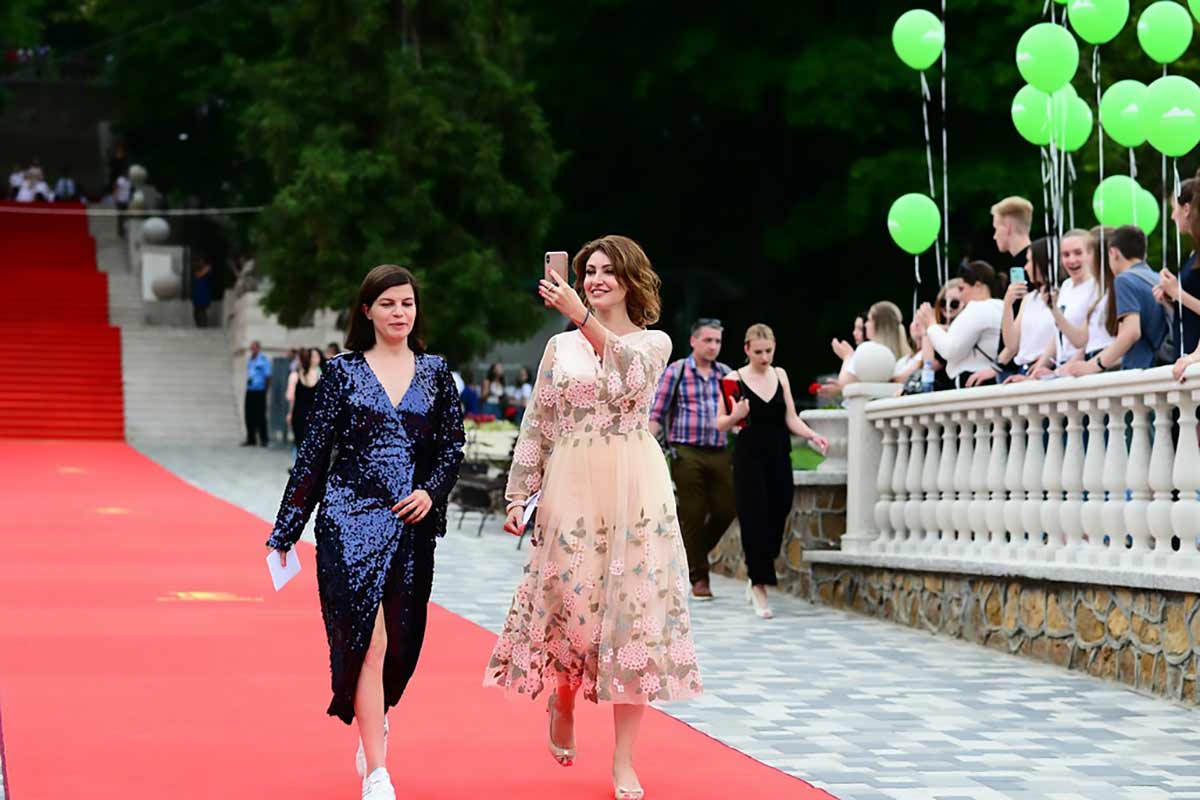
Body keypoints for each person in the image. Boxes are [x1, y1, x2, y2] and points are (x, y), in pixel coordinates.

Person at [485, 235, 700, 800]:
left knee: (634, 620)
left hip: (636, 484)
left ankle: (623, 761)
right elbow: (539, 422)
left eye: (608, 271)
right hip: (572, 483)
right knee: (572, 607)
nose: (596, 280)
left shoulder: (654, 341)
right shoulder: (559, 349)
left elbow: (632, 378)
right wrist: (518, 494)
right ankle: (563, 693)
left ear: (630, 280)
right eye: (589, 272)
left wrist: (582, 317)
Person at [267, 265, 464, 800]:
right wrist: (287, 529)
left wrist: (430, 491)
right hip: (348, 518)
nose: (400, 312)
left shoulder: (436, 372)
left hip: (410, 524)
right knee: (367, 641)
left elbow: (451, 446)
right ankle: (378, 771)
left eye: (407, 303)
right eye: (388, 303)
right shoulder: (342, 373)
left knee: (400, 643)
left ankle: (376, 717)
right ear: (367, 311)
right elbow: (313, 454)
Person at [717, 324, 829, 620]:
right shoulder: (734, 379)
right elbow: (720, 423)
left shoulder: (780, 375)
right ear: (747, 350)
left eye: (769, 351)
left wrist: (812, 435)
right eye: (758, 352)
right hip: (749, 457)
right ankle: (759, 586)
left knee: (780, 511)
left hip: (779, 454)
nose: (764, 357)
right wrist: (736, 415)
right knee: (754, 519)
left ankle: (757, 572)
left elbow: (791, 417)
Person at [649, 318, 735, 601]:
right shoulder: (677, 371)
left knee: (727, 509)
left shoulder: (726, 374)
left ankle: (688, 554)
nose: (713, 346)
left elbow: (736, 415)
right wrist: (645, 445)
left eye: (717, 341)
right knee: (693, 514)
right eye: (708, 340)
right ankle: (700, 578)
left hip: (719, 449)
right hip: (686, 452)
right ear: (693, 341)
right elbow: (657, 413)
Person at [1064, 225, 1168, 375]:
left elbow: (1131, 332)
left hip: (1138, 369)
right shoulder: (1155, 278)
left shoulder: (1124, 280)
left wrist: (1093, 365)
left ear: (1113, 253)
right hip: (1159, 367)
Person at [916, 261, 1005, 388]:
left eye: (962, 288)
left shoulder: (977, 308)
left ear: (978, 286)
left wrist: (931, 324)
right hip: (991, 380)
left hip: (974, 383)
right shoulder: (1001, 306)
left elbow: (949, 350)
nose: (961, 295)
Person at [999, 237, 1057, 379]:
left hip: (1046, 369)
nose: (1026, 267)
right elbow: (1012, 344)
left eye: (1030, 261)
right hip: (1024, 369)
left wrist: (1040, 366)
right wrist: (1007, 305)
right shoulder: (1029, 298)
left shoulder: (1063, 293)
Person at [832, 300, 913, 387]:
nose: (866, 324)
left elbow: (845, 382)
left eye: (869, 320)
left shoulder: (868, 352)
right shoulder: (908, 357)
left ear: (879, 325)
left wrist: (847, 357)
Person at [286, 347, 322, 456]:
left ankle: (299, 464)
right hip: (315, 415)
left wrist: (290, 413)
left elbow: (290, 397)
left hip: (298, 414)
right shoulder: (322, 376)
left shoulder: (295, 375)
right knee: (312, 447)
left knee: (299, 445)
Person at [991, 196, 1034, 270]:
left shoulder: (1029, 268)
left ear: (1008, 227)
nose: (994, 236)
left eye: (996, 228)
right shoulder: (1039, 261)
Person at [242, 340, 272, 446]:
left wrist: (265, 391)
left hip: (260, 391)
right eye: (251, 347)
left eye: (254, 347)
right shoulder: (250, 359)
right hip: (250, 390)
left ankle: (264, 439)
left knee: (260, 416)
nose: (252, 349)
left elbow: (268, 377)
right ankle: (251, 438)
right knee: (249, 415)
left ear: (258, 348)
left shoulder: (263, 360)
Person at [191, 255, 213, 328]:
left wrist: (206, 269)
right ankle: (200, 325)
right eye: (199, 261)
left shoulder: (207, 268)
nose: (200, 262)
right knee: (197, 311)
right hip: (197, 293)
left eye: (201, 261)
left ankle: (203, 325)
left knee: (202, 310)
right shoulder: (197, 269)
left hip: (203, 293)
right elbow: (198, 275)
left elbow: (200, 275)